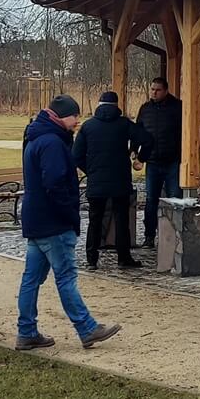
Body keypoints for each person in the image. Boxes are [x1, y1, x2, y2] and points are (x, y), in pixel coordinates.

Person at [17, 94, 121, 351]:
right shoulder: (52, 143)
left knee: (31, 279)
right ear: (62, 116)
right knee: (66, 277)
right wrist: (69, 214)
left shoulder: (35, 137)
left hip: (36, 219)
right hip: (54, 222)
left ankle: (26, 331)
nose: (77, 121)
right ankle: (86, 328)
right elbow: (54, 183)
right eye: (75, 116)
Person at [73, 90, 153, 269]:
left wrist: (91, 171)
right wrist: (140, 158)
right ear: (117, 106)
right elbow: (147, 140)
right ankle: (124, 258)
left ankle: (92, 259)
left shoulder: (88, 126)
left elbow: (76, 155)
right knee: (121, 220)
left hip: (96, 181)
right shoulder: (124, 124)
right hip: (120, 180)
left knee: (95, 220)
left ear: (99, 105)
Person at [134, 77, 183, 249]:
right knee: (150, 200)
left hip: (172, 161)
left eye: (158, 90)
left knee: (175, 199)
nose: (154, 93)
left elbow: (186, 131)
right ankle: (149, 236)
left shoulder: (177, 107)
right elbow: (138, 131)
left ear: (166, 90)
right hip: (152, 162)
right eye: (152, 89)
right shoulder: (145, 109)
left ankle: (175, 235)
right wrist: (135, 151)